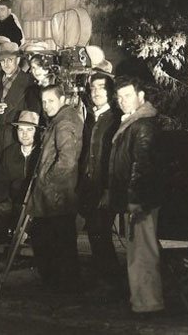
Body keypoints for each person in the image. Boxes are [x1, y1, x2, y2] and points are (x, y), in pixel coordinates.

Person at [108, 76, 164, 314]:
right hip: (137, 200)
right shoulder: (134, 122)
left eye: (127, 95)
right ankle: (141, 301)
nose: (122, 101)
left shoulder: (142, 125)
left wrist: (134, 199)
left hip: (141, 202)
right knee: (138, 251)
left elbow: (141, 166)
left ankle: (148, 305)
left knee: (142, 252)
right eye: (119, 97)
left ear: (141, 97)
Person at [28, 84, 83, 292]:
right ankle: (63, 286)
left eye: (51, 101)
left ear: (62, 100)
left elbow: (67, 161)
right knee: (59, 242)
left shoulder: (65, 121)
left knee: (54, 241)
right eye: (44, 101)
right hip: (56, 194)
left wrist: (46, 181)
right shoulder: (60, 119)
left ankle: (63, 287)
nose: (46, 105)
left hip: (56, 195)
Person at [0, 111, 41, 277]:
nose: (25, 134)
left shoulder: (42, 154)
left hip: (34, 209)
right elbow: (1, 181)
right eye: (21, 130)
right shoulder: (10, 152)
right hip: (11, 205)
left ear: (37, 131)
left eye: (29, 130)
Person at [78, 73, 122, 282]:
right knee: (95, 233)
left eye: (101, 87)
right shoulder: (91, 117)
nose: (96, 92)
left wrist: (108, 189)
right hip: (89, 185)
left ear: (110, 91)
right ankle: (104, 276)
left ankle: (111, 278)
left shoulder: (115, 119)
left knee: (100, 231)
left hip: (105, 187)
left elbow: (114, 158)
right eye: (93, 88)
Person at [0, 42, 40, 167]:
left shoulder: (29, 82)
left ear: (18, 59)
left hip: (16, 137)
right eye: (2, 61)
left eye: (10, 60)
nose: (6, 64)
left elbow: (34, 113)